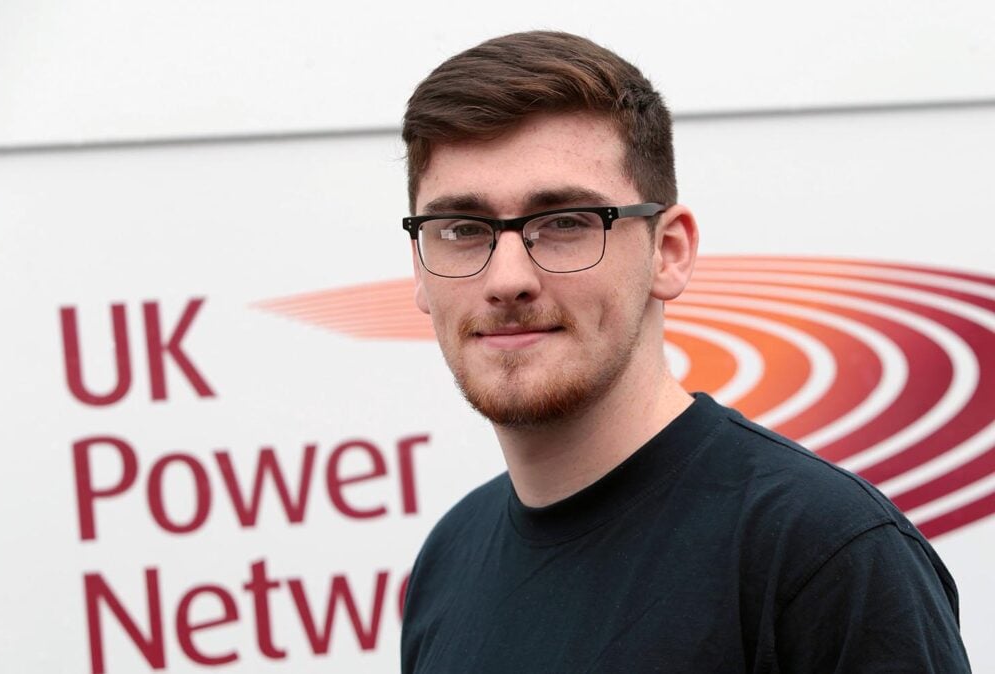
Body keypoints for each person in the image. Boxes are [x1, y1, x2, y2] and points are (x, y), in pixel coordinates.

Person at [398, 31, 970, 673]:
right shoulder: (449, 559)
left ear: (669, 252)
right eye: (460, 230)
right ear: (419, 270)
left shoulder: (819, 554)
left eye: (564, 223)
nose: (507, 279)